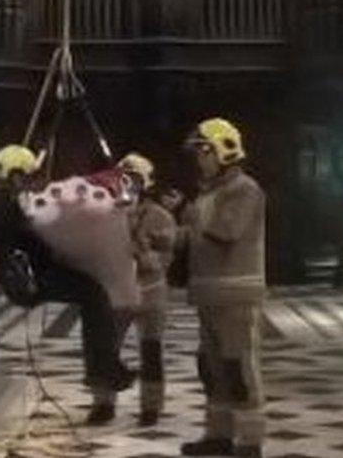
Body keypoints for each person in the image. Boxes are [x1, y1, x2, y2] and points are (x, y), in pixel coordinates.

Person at [0, 144, 135, 422]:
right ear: (14, 175)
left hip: (26, 276)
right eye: (26, 176)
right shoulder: (1, 205)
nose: (29, 183)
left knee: (92, 295)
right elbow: (25, 236)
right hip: (30, 279)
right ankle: (104, 369)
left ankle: (103, 369)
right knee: (94, 295)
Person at [177, 118, 267, 458]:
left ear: (224, 151)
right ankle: (218, 435)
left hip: (235, 295)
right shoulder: (207, 193)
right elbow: (192, 236)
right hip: (209, 294)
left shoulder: (244, 189)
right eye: (198, 151)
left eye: (204, 151)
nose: (200, 158)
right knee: (211, 369)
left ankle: (248, 441)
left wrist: (187, 213)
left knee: (238, 368)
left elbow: (226, 231)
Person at [114, 152, 177, 426]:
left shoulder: (160, 217)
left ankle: (151, 407)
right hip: (116, 291)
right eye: (123, 179)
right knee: (106, 348)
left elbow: (161, 261)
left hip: (150, 292)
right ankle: (103, 402)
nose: (128, 185)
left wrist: (138, 241)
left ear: (145, 183)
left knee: (151, 350)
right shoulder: (107, 213)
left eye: (134, 179)